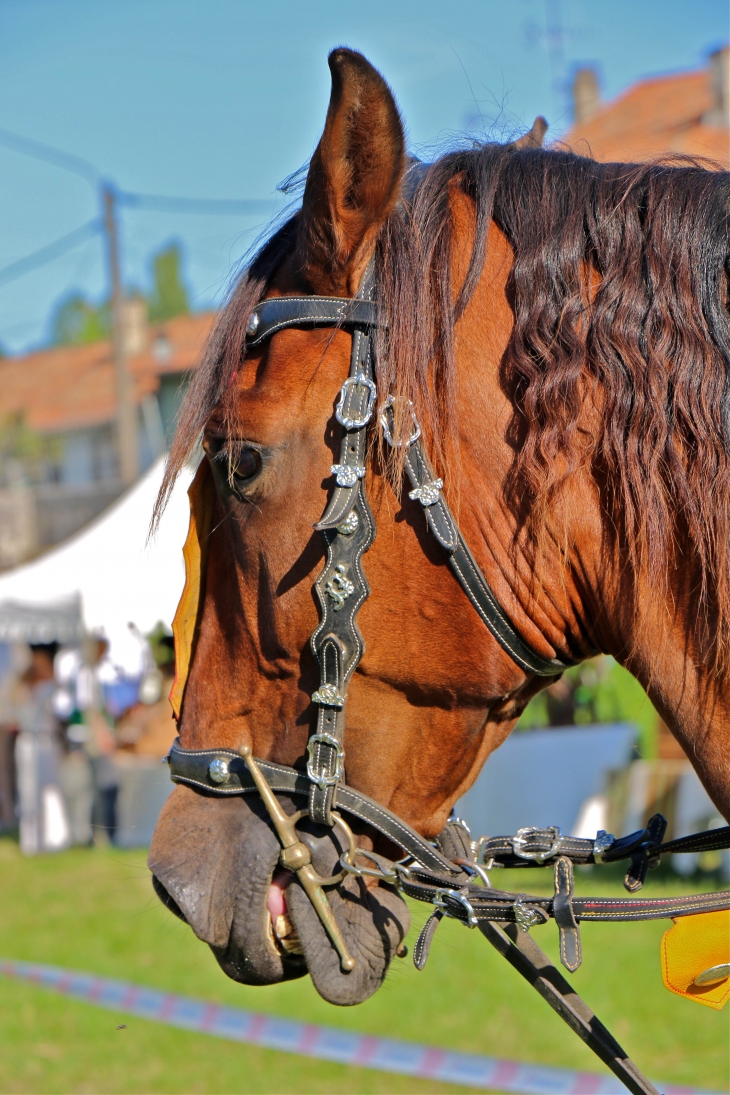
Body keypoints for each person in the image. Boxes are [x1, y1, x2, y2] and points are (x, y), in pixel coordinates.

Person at [14, 642, 71, 855]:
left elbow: (63, 706)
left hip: (48, 741)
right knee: (29, 791)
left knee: (53, 789)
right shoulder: (23, 687)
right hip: (28, 741)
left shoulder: (52, 688)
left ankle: (55, 839)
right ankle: (31, 842)